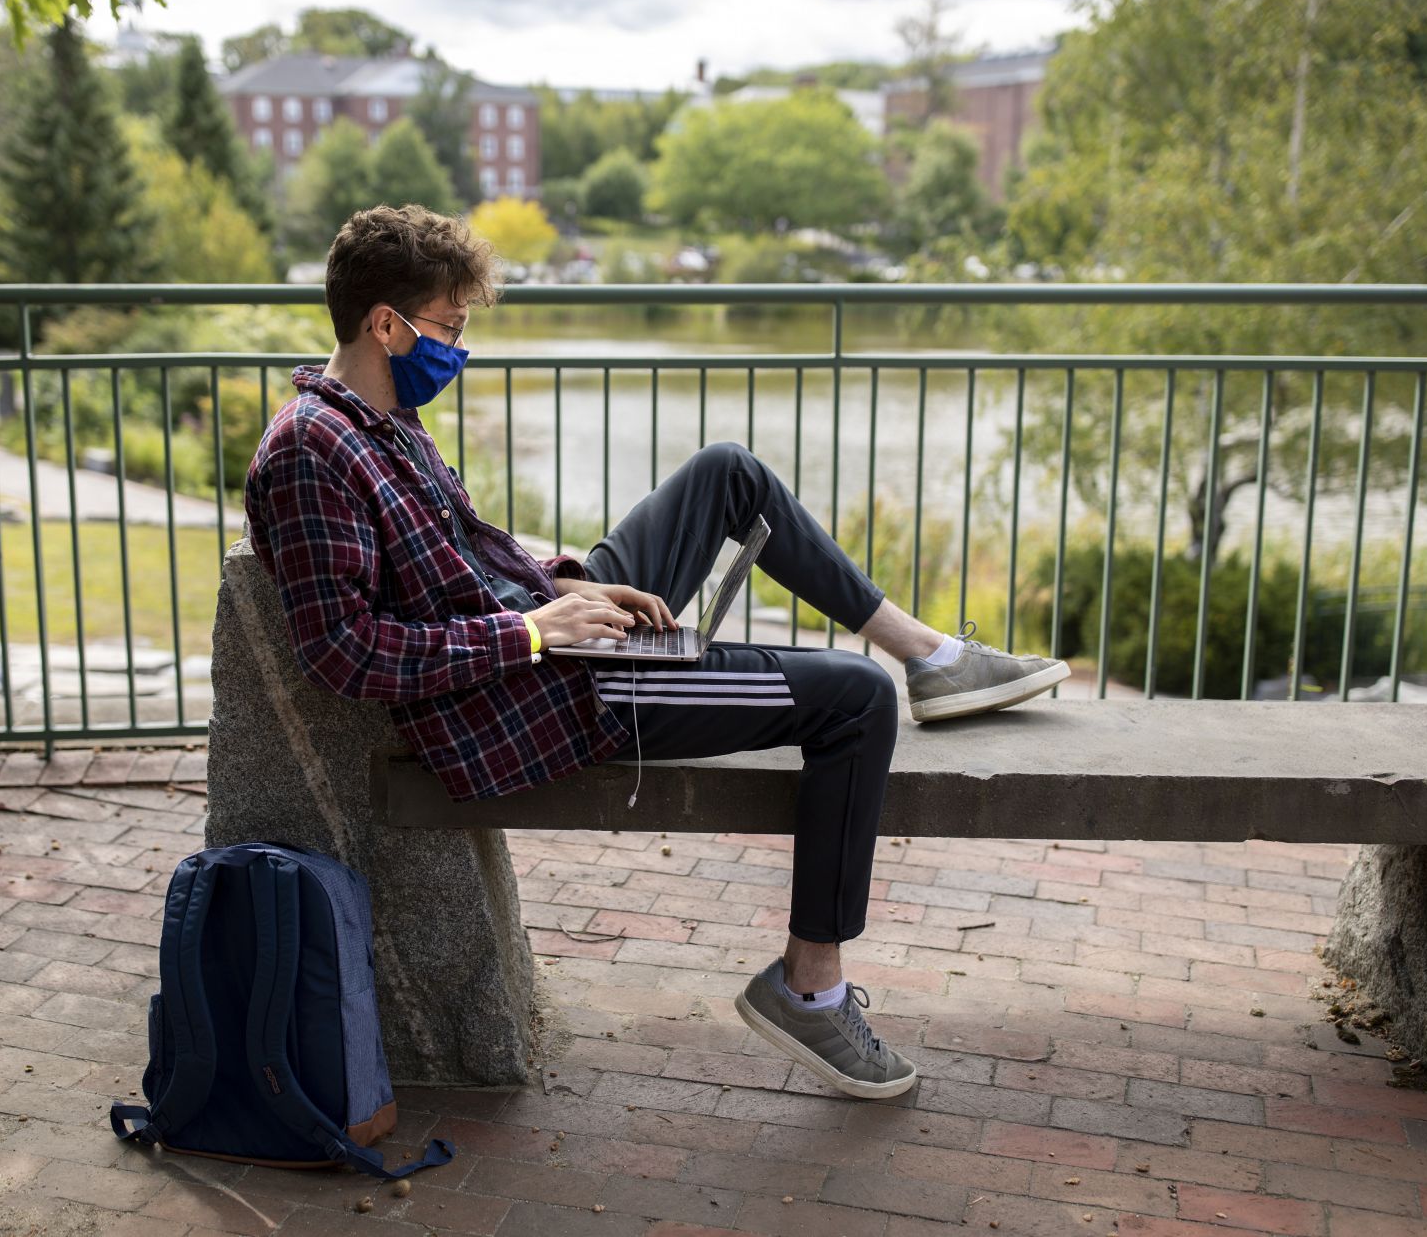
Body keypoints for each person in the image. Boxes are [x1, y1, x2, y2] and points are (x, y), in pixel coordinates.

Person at [244, 205, 1069, 1102]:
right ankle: (809, 986)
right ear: (385, 323)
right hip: (539, 695)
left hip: (546, 634)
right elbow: (344, 651)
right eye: (450, 326)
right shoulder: (310, 453)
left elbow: (466, 552)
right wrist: (532, 632)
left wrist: (567, 586)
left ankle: (932, 652)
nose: (459, 348)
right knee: (856, 702)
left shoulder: (383, 419)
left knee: (729, 472)